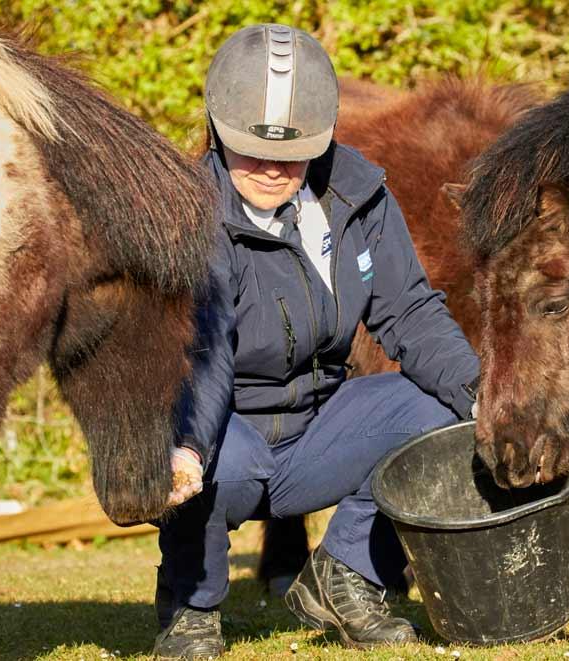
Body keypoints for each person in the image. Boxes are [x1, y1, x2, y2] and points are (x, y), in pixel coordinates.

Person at [153, 24, 480, 659]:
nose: (273, 168)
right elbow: (206, 350)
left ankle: (348, 576)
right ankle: (189, 610)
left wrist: (480, 394)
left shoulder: (357, 197)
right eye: (251, 150)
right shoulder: (190, 214)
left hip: (316, 430)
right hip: (223, 437)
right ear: (218, 131)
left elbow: (410, 311)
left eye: (294, 149)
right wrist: (188, 446)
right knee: (210, 447)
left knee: (439, 408)